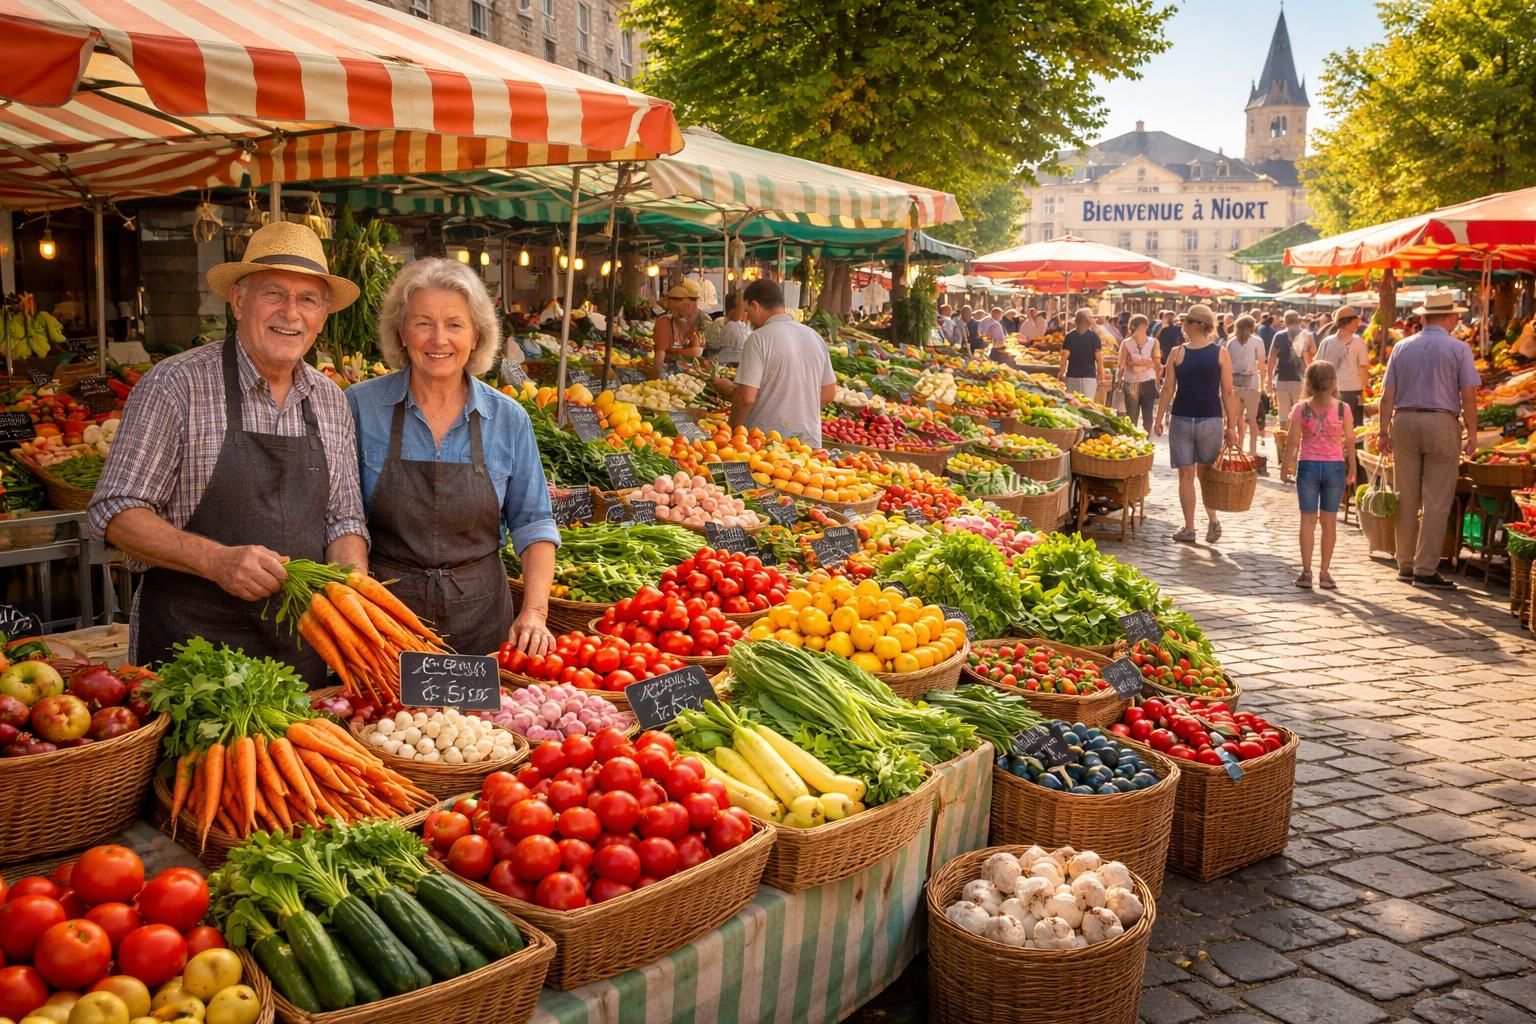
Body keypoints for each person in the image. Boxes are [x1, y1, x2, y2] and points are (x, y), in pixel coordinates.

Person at [88, 222, 369, 681]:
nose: (291, 313)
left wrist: (353, 582)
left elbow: (343, 519)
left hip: (300, 649)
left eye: (308, 300)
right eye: (274, 293)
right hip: (191, 653)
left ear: (322, 315)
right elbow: (116, 511)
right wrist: (216, 561)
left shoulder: (331, 400)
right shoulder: (176, 385)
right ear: (238, 301)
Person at [344, 258, 558, 657]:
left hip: (483, 621)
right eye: (423, 322)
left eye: (455, 324)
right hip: (384, 619)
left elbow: (534, 522)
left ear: (476, 336)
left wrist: (535, 612)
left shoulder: (508, 418)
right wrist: (358, 599)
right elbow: (340, 517)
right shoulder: (357, 407)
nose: (438, 339)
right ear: (401, 332)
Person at [1378, 290, 1480, 590]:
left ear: (1425, 316)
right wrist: (1472, 433)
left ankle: (1405, 563)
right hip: (1441, 422)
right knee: (1436, 499)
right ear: (1448, 317)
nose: (1458, 320)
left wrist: (1383, 431)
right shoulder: (1459, 349)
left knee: (1406, 495)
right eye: (1456, 316)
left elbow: (1387, 396)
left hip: (1405, 421)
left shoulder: (1401, 347)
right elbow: (1469, 396)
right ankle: (1424, 569)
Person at [1153, 304, 1240, 544]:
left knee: (1186, 476)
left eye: (1185, 321)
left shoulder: (1177, 353)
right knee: (1206, 475)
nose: (1182, 325)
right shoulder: (1220, 353)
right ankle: (1212, 520)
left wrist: (1159, 418)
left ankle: (1190, 528)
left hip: (1182, 417)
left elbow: (1168, 389)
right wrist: (1231, 425)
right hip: (1211, 419)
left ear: (1194, 324)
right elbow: (1228, 391)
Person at [715, 279, 836, 446]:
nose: (747, 318)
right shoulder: (814, 336)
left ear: (755, 306)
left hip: (766, 444)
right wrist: (798, 412)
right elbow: (829, 393)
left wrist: (732, 430)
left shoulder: (758, 339)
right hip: (809, 443)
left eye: (748, 311)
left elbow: (746, 398)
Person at [1282, 361, 1357, 590]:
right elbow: (1350, 441)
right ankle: (1325, 572)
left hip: (1308, 465)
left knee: (1307, 520)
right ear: (1333, 381)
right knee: (1329, 522)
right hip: (1334, 466)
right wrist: (1352, 467)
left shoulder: (1301, 409)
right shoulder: (1343, 409)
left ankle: (1306, 572)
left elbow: (1293, 441)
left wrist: (1286, 465)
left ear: (1309, 382)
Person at [1316, 305, 1370, 426]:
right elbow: (1363, 368)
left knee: (1331, 427)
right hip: (1352, 392)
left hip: (1329, 391)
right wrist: (1366, 387)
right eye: (1356, 320)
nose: (1358, 323)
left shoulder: (1326, 342)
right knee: (1352, 428)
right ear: (1350, 322)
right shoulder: (1358, 342)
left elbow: (1317, 366)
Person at [1226, 315, 1267, 457]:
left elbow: (1227, 364)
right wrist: (1263, 382)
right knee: (1252, 418)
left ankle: (1238, 445)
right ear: (1252, 326)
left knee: (1237, 417)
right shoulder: (1257, 341)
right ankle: (1252, 449)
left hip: (1234, 382)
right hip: (1252, 383)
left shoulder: (1231, 342)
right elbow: (1262, 363)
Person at [1266, 310, 1313, 422]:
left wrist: (1269, 378)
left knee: (1283, 413)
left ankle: (1284, 436)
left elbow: (1271, 358)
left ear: (1286, 321)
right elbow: (1312, 354)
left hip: (1282, 378)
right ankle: (1300, 437)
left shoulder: (1279, 335)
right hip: (1301, 379)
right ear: (1298, 320)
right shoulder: (1307, 335)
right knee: (1302, 411)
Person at [652, 280, 705, 377]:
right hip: (670, 373)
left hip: (689, 373)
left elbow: (698, 351)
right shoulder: (664, 322)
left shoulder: (699, 319)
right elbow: (660, 353)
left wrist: (673, 354)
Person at [1118, 314, 1159, 433]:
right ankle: (1144, 439)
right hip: (1147, 381)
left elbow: (1122, 364)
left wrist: (1134, 363)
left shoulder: (1126, 343)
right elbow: (1156, 363)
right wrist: (1145, 364)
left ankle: (1134, 439)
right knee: (1147, 414)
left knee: (1132, 415)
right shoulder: (1154, 342)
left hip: (1132, 382)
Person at [1058, 308, 1104, 397]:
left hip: (1072, 376)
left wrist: (1061, 373)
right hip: (1089, 377)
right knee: (1087, 405)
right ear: (1086, 320)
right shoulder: (1094, 337)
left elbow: (1064, 356)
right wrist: (1101, 374)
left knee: (1072, 404)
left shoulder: (1069, 336)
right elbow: (1099, 358)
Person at [705, 289, 751, 364]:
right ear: (733, 311)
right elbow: (713, 346)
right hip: (722, 365)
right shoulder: (726, 324)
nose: (745, 310)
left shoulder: (745, 326)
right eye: (742, 307)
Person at [1153, 310, 1184, 384]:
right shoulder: (1179, 329)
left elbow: (1158, 342)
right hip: (1177, 352)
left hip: (1165, 352)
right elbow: (1182, 340)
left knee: (1167, 371)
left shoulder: (1163, 330)